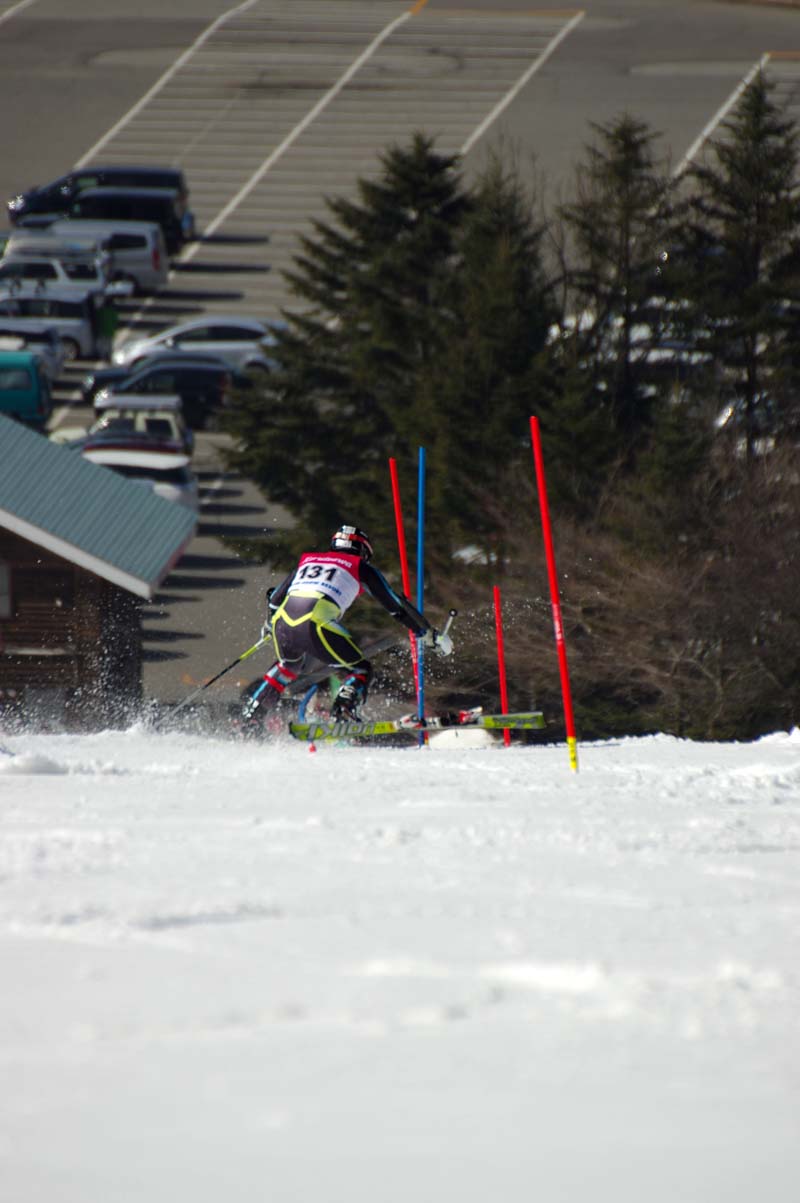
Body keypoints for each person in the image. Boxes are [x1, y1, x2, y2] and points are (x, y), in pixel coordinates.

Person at [241, 524, 452, 725]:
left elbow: (274, 599)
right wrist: (427, 634)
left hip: (282, 623)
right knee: (360, 669)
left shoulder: (308, 561)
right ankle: (343, 710)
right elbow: (396, 606)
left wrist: (269, 627)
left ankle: (252, 714)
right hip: (316, 621)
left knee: (288, 667)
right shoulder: (360, 567)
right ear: (363, 551)